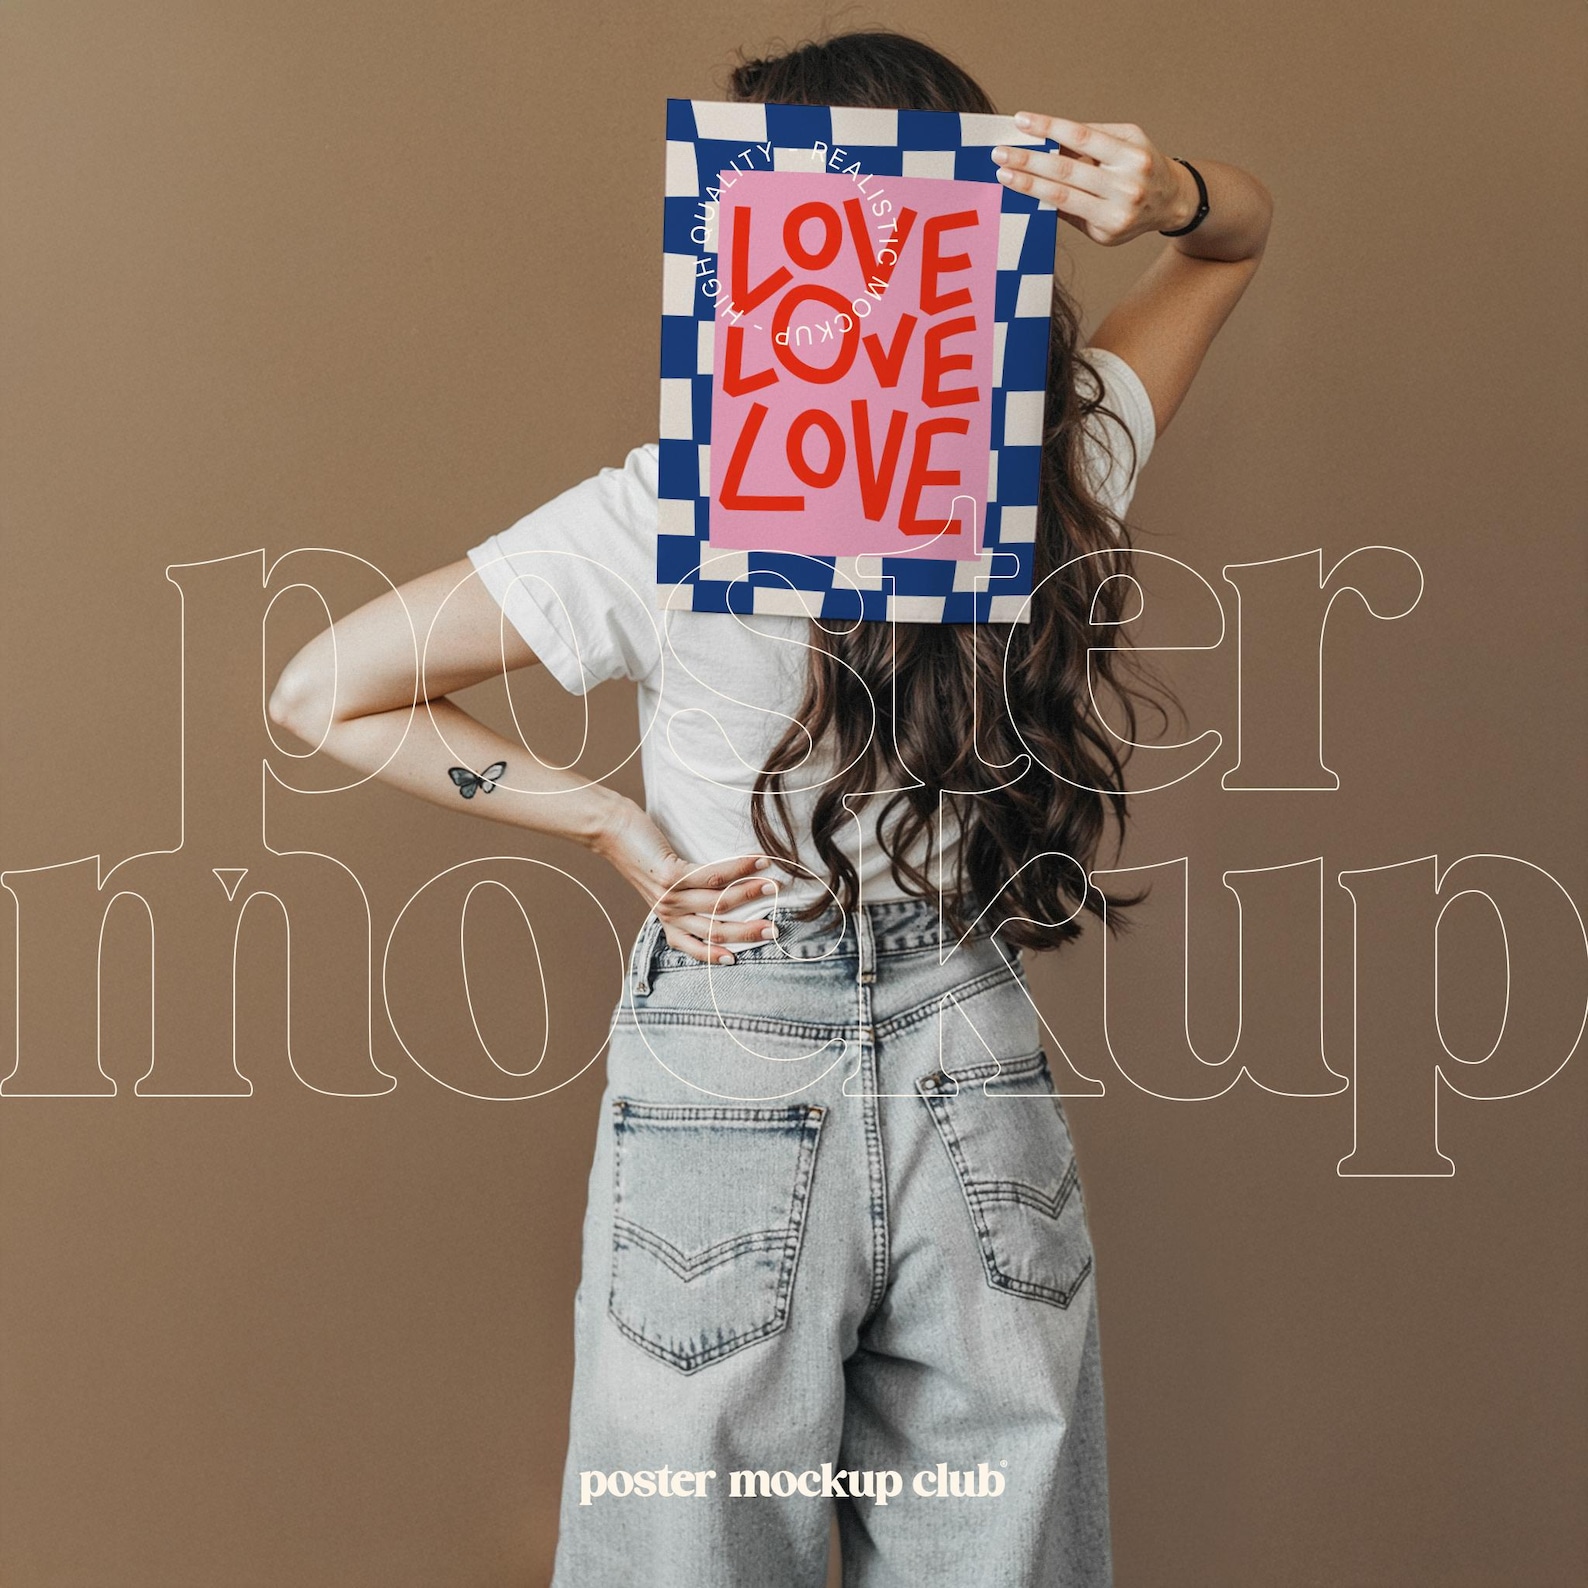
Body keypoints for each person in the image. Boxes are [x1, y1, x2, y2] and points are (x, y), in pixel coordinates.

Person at [268, 28, 1271, 1588]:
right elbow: (1240, 241)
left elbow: (323, 691)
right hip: (972, 1045)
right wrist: (1173, 189)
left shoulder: (675, 507)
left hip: (730, 1038)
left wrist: (607, 825)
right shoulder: (1059, 462)